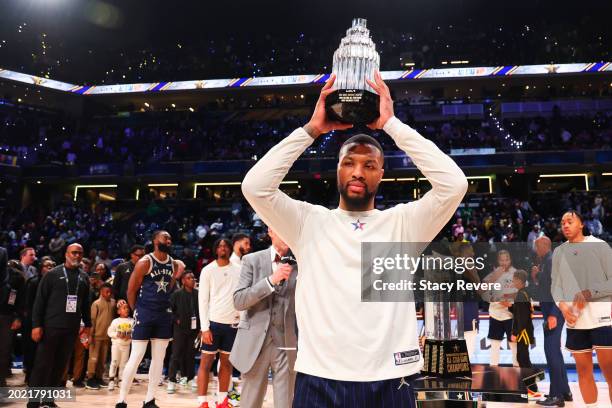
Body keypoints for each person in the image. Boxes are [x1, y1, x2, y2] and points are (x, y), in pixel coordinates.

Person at [241, 71, 467, 406]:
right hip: (320, 377)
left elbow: (454, 184)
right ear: (337, 170)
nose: (358, 171)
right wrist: (311, 130)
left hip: (393, 378)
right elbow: (254, 186)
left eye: (369, 164)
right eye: (348, 162)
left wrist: (392, 125)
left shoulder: (404, 224)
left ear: (382, 173)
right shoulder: (308, 222)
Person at [115, 231, 183, 408]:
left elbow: (172, 281)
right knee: (136, 355)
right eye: (165, 237)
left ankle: (149, 399)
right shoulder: (145, 262)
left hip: (163, 314)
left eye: (170, 238)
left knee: (159, 358)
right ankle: (121, 400)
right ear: (155, 241)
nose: (168, 240)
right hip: (145, 312)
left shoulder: (173, 263)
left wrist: (177, 272)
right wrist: (137, 309)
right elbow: (131, 290)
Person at [231, 228, 298, 408]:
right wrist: (270, 280)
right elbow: (239, 301)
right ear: (271, 231)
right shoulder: (252, 260)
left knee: (285, 403)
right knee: (249, 403)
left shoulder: (302, 262)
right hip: (255, 342)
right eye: (280, 227)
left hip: (288, 343)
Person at [552, 211, 612, 408]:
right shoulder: (559, 251)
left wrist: (590, 292)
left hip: (602, 316)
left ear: (581, 224)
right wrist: (562, 307)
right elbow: (556, 286)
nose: (565, 225)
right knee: (583, 372)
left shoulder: (600, 246)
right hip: (575, 319)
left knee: (609, 371)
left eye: (570, 221)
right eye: (562, 223)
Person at [28, 243, 91, 408]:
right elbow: (39, 302)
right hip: (50, 327)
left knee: (59, 366)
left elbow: (86, 304)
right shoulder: (52, 275)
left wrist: (88, 326)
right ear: (66, 254)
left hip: (71, 329)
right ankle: (33, 402)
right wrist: (36, 325)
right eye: (74, 252)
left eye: (80, 253)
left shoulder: (84, 277)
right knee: (42, 364)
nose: (77, 256)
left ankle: (49, 400)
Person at [197, 238, 241, 408]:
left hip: (232, 325)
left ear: (230, 249)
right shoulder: (208, 270)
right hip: (213, 324)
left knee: (227, 363)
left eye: (226, 246)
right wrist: (204, 328)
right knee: (205, 363)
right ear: (216, 250)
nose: (223, 248)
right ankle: (202, 402)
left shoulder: (239, 269)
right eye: (220, 246)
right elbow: (202, 300)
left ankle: (222, 400)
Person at [532, 236, 571, 407]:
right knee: (555, 351)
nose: (535, 250)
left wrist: (554, 313)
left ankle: (556, 395)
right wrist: (536, 276)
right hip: (552, 312)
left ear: (543, 245)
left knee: (551, 351)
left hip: (554, 313)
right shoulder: (549, 260)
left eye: (536, 246)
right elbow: (547, 285)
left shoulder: (552, 259)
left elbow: (561, 287)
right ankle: (565, 391)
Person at [483, 249, 518, 366]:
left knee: (515, 348)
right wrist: (498, 301)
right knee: (494, 348)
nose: (504, 262)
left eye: (506, 259)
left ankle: (517, 376)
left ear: (510, 260)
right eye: (501, 260)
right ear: (498, 261)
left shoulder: (516, 274)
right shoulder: (492, 275)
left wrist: (510, 303)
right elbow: (483, 293)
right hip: (495, 315)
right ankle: (493, 377)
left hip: (511, 316)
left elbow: (522, 293)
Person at [23, 257, 55, 384]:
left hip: (50, 323)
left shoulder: (56, 283)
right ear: (41, 268)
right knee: (32, 351)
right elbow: (28, 305)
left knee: (46, 353)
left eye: (52, 266)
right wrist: (35, 324)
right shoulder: (33, 282)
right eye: (47, 266)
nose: (50, 268)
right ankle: (30, 377)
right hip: (33, 322)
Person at [167, 270, 199, 393]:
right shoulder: (177, 294)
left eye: (193, 277)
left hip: (194, 328)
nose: (193, 280)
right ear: (183, 281)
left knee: (190, 354)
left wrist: (201, 328)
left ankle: (190, 378)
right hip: (180, 329)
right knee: (176, 354)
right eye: (189, 278)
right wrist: (177, 320)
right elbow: (170, 310)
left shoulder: (198, 294)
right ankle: (171, 380)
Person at [86, 283, 116, 390]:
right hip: (96, 336)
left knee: (102, 359)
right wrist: (90, 335)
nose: (108, 294)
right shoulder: (96, 304)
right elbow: (92, 321)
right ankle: (90, 379)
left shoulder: (113, 303)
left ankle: (99, 377)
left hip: (107, 336)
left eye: (110, 292)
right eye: (106, 292)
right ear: (101, 292)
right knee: (93, 358)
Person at [0, 258, 25, 387]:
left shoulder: (17, 276)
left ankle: (1, 380)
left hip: (7, 316)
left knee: (4, 349)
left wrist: (18, 317)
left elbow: (21, 299)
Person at [107, 301, 134, 391]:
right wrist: (117, 335)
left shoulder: (132, 321)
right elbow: (110, 332)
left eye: (127, 308)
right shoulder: (115, 321)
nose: (127, 309)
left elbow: (135, 332)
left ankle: (121, 379)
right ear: (118, 311)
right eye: (124, 308)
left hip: (126, 346)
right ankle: (111, 379)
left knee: (124, 364)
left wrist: (130, 336)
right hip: (116, 345)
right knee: (114, 362)